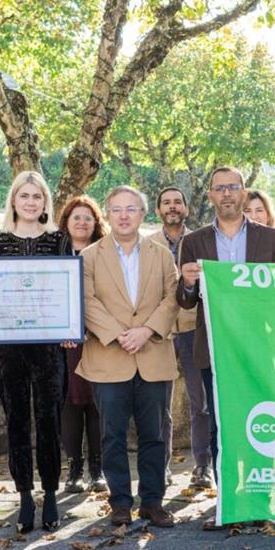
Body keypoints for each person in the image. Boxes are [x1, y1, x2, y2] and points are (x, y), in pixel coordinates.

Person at [176, 167, 275, 517]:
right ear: (210, 195)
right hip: (213, 349)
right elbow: (185, 301)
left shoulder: (269, 237)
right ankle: (228, 499)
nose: (226, 194)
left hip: (257, 349)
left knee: (258, 419)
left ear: (244, 193)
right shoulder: (193, 241)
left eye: (233, 187)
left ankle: (261, 498)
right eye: (219, 188)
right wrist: (189, 283)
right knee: (218, 424)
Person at [76, 186, 180, 529]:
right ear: (108, 214)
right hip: (109, 357)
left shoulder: (162, 254)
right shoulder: (90, 256)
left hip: (153, 355)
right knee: (112, 435)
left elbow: (172, 298)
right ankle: (120, 502)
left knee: (155, 434)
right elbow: (87, 300)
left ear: (142, 214)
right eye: (117, 209)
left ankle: (153, 502)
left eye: (131, 209)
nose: (124, 215)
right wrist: (119, 334)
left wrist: (146, 331)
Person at [0, 171, 71, 533]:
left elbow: (67, 292)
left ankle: (50, 493)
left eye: (38, 197)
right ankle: (25, 496)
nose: (31, 202)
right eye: (24, 196)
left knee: (48, 419)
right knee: (17, 419)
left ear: (46, 203)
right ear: (13, 200)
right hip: (8, 346)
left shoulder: (59, 241)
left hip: (48, 346)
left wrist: (70, 329)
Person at [146, 187, 212, 489]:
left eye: (177, 202)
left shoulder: (201, 241)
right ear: (158, 211)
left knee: (201, 403)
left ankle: (203, 466)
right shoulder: (148, 245)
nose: (172, 207)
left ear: (185, 208)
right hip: (159, 332)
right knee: (160, 404)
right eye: (166, 203)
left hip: (191, 329)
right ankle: (162, 467)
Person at [58, 195, 107, 494]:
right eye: (76, 217)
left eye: (88, 217)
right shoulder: (54, 254)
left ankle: (97, 470)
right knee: (71, 405)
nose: (82, 222)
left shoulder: (106, 254)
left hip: (101, 339)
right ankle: (74, 469)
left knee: (98, 404)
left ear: (96, 223)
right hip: (65, 344)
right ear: (66, 222)